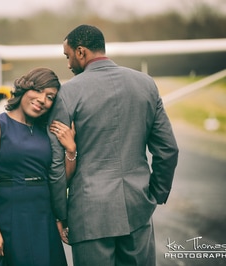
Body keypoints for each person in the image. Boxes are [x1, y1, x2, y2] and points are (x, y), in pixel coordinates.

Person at [48, 25, 179, 266]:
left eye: (68, 56)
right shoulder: (145, 84)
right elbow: (168, 149)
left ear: (80, 51)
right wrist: (156, 194)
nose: (68, 64)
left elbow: (57, 161)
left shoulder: (68, 93)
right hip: (137, 207)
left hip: (89, 214)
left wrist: (60, 213)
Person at [0, 67, 76, 266]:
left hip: (44, 213)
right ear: (25, 88)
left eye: (50, 97)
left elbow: (62, 179)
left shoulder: (46, 130)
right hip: (10, 212)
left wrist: (71, 150)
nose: (42, 100)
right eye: (38, 91)